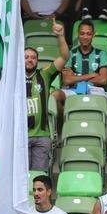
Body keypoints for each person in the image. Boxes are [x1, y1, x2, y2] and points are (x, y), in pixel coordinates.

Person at [25, 28, 69, 172]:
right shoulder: (13, 78)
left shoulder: (45, 74)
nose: (30, 60)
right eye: (26, 57)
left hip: (41, 137)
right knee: (21, 178)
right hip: (20, 137)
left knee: (39, 177)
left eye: (33, 57)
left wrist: (60, 36)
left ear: (37, 61)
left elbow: (64, 57)